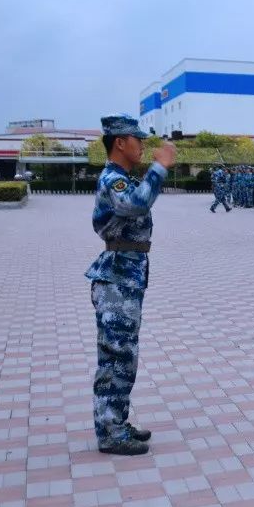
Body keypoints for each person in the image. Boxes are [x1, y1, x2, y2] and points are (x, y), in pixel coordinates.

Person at [84, 114, 176, 455]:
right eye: (136, 139)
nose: (142, 145)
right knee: (116, 357)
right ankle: (110, 431)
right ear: (120, 142)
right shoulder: (113, 179)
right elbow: (136, 205)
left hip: (127, 275)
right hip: (117, 279)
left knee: (125, 356)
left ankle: (117, 423)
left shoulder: (121, 177)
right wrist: (160, 167)